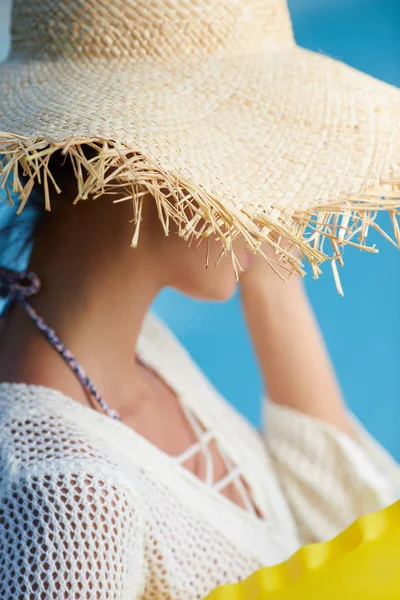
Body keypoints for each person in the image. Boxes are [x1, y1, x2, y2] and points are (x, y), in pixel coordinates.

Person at [0, 0, 399, 598]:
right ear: (148, 163)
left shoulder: (137, 351)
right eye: (252, 147)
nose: (278, 188)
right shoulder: (70, 500)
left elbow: (345, 539)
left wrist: (259, 262)